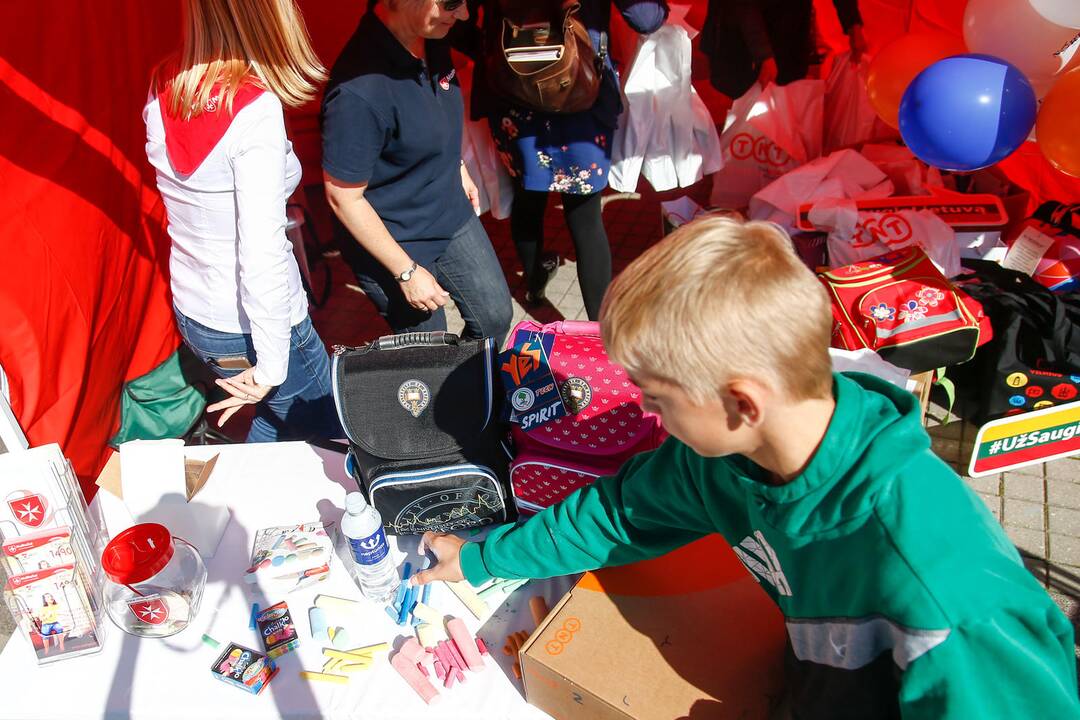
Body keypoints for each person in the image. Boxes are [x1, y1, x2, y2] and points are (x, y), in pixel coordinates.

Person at [413, 216, 1080, 717]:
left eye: (657, 399)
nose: (649, 416)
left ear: (740, 403)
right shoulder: (722, 460)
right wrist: (481, 559)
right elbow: (621, 511)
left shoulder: (939, 590)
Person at [144, 0, 342, 443]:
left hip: (198, 312)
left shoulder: (165, 81)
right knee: (323, 438)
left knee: (279, 421)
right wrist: (273, 362)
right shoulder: (254, 111)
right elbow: (261, 250)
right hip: (257, 324)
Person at [454, 0, 668, 319]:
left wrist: (497, 52)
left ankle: (534, 284)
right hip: (580, 94)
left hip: (513, 97)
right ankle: (600, 334)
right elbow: (646, 17)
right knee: (585, 216)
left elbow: (453, 22)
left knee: (526, 196)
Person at [322, 0, 512, 344]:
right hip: (395, 237)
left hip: (448, 210)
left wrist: (455, 164)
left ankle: (474, 388)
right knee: (430, 349)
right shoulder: (357, 93)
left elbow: (431, 115)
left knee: (495, 317)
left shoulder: (433, 34)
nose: (465, 14)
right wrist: (406, 272)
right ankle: (452, 394)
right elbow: (342, 197)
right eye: (452, 2)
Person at [701, 0, 867, 100]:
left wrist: (853, 25)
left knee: (784, 115)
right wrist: (764, 55)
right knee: (741, 110)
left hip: (789, 35)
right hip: (739, 41)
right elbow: (744, 6)